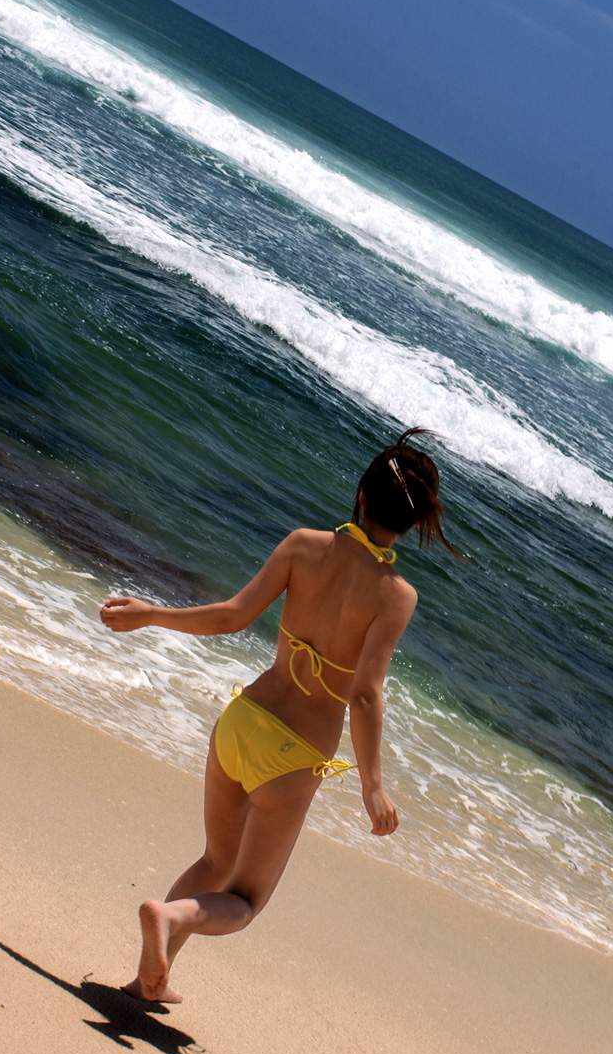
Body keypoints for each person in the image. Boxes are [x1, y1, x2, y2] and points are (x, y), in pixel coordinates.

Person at [99, 426, 462, 1002]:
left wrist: (151, 614)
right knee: (244, 899)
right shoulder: (397, 596)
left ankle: (150, 979)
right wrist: (372, 786)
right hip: (292, 758)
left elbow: (231, 616)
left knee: (214, 861)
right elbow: (365, 695)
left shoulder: (302, 545)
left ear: (362, 494)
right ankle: (167, 920)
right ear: (416, 521)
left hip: (242, 720)